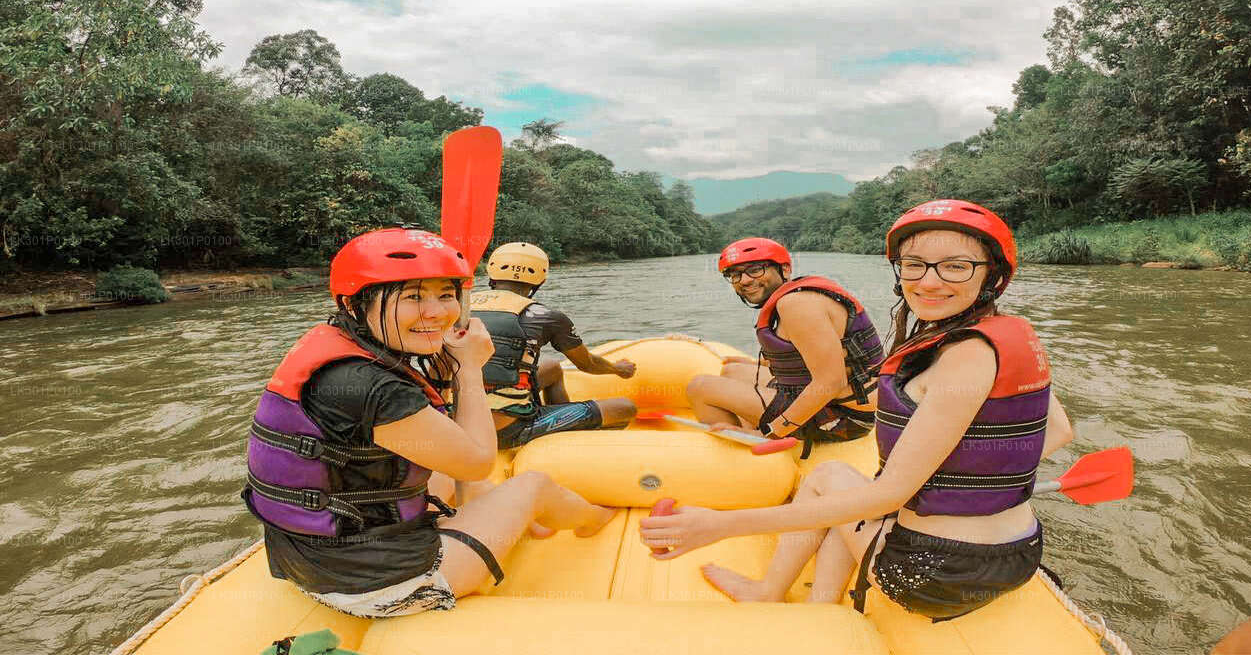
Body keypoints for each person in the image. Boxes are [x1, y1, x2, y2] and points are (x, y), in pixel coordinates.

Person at [641, 201, 1075, 621]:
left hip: (939, 573)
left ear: (993, 275)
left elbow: (887, 496)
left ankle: (769, 590)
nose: (927, 282)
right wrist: (967, 483)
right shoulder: (1011, 333)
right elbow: (1058, 431)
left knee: (834, 485)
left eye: (956, 266)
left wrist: (717, 525)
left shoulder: (963, 357)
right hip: (1019, 552)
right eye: (914, 264)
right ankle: (819, 609)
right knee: (839, 483)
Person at [243, 227, 615, 618]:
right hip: (379, 585)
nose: (437, 312)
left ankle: (511, 521)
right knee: (534, 484)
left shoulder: (343, 347)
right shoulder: (372, 387)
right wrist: (469, 368)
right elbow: (476, 460)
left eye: (445, 294)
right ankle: (596, 521)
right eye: (413, 297)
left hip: (311, 558)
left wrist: (448, 370)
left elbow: (447, 445)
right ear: (355, 304)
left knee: (452, 466)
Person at [686, 237, 884, 455]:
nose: (744, 280)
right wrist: (760, 363)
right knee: (733, 370)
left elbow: (832, 381)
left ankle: (739, 454)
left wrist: (771, 433)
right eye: (735, 274)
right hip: (844, 404)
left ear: (785, 269)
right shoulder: (800, 295)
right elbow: (812, 358)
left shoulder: (796, 304)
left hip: (843, 418)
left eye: (755, 270)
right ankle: (745, 426)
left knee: (699, 387)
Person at [471, 241, 637, 450]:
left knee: (553, 367)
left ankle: (561, 424)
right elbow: (588, 364)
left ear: (491, 273)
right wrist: (618, 369)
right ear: (540, 279)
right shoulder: (547, 317)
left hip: (458, 419)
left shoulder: (459, 307)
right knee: (625, 408)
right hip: (507, 429)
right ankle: (559, 440)